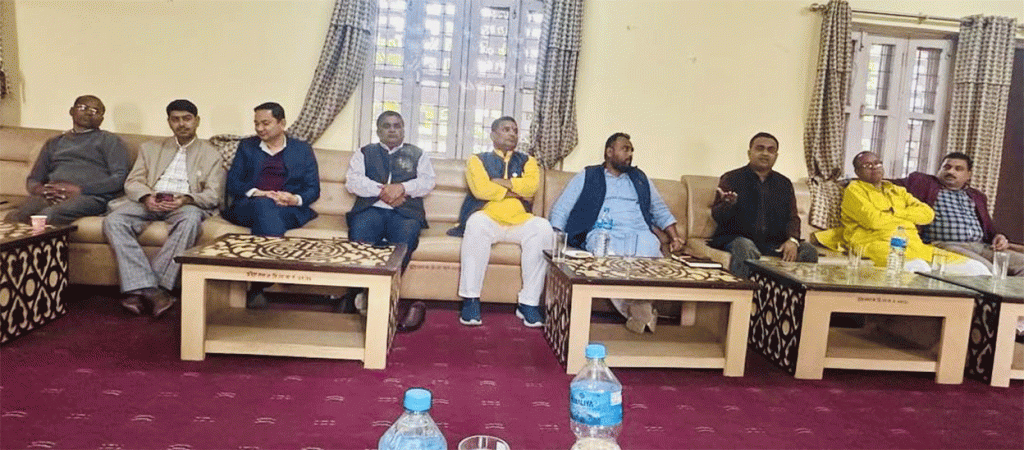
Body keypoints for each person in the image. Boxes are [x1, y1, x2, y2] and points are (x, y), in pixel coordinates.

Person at [549, 132, 685, 333]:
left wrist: (674, 237)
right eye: (625, 149)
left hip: (639, 232)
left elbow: (659, 209)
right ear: (609, 152)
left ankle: (637, 312)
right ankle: (640, 312)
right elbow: (562, 207)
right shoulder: (588, 175)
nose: (630, 154)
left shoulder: (640, 178)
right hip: (603, 232)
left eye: (631, 150)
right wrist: (557, 240)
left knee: (651, 247)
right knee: (605, 254)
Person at [102, 100, 226, 318]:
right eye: (176, 119)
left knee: (190, 220)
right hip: (150, 200)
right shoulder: (149, 148)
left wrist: (186, 199)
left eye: (187, 119)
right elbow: (133, 181)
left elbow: (213, 195)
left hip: (185, 204)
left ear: (197, 121)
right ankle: (153, 290)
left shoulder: (211, 154)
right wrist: (146, 196)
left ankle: (146, 288)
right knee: (114, 220)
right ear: (169, 122)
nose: (182, 124)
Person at [449, 116, 552, 327]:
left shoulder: (528, 161)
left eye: (515, 130)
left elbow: (531, 187)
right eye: (506, 129)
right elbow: (481, 190)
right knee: (475, 223)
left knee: (543, 228)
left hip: (520, 221)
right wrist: (516, 190)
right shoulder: (477, 160)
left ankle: (529, 303)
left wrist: (498, 183)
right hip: (488, 218)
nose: (512, 133)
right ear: (493, 135)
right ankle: (471, 300)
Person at [814, 151, 989, 275]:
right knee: (919, 268)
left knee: (977, 269)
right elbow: (874, 221)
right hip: (876, 243)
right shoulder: (855, 190)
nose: (874, 168)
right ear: (857, 172)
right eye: (867, 165)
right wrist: (908, 215)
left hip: (914, 245)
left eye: (877, 163)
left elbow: (927, 215)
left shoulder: (897, 190)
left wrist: (894, 211)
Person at [343, 111, 435, 330]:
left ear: (403, 129)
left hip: (406, 212)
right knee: (360, 238)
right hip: (371, 208)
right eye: (387, 126)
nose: (392, 130)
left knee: (403, 242)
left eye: (397, 125)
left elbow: (427, 182)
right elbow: (353, 181)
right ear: (378, 131)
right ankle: (361, 294)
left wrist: (402, 188)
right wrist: (384, 191)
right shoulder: (364, 152)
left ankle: (379, 298)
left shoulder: (418, 154)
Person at [223, 102, 320, 306]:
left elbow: (313, 188)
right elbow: (233, 183)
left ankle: (258, 286)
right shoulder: (247, 146)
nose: (260, 129)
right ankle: (270, 275)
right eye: (256, 123)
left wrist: (294, 198)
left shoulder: (302, 149)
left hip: (287, 209)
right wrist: (259, 193)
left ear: (281, 123)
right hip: (249, 206)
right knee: (264, 205)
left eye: (265, 123)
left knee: (269, 214)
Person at [6, 95, 130, 225]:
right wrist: (42, 190)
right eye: (83, 108)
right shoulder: (54, 142)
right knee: (16, 216)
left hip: (90, 197)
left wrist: (81, 189)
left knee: (47, 216)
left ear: (101, 119)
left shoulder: (109, 140)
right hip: (52, 195)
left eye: (95, 111)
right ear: (72, 111)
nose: (89, 113)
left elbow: (119, 178)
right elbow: (34, 179)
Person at [894, 152, 1023, 276]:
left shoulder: (977, 196)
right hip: (945, 245)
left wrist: (999, 237)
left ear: (968, 175)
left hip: (981, 246)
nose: (951, 171)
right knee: (986, 270)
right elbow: (889, 184)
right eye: (947, 167)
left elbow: (989, 229)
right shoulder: (923, 183)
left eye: (958, 169)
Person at [708, 132, 817, 278]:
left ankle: (789, 292)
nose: (765, 153)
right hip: (736, 239)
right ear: (749, 153)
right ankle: (745, 291)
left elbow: (793, 217)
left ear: (776, 156)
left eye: (771, 150)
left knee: (808, 250)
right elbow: (717, 216)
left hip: (773, 243)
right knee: (745, 246)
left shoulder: (784, 183)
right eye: (760, 148)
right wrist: (728, 204)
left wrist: (792, 241)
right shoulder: (732, 178)